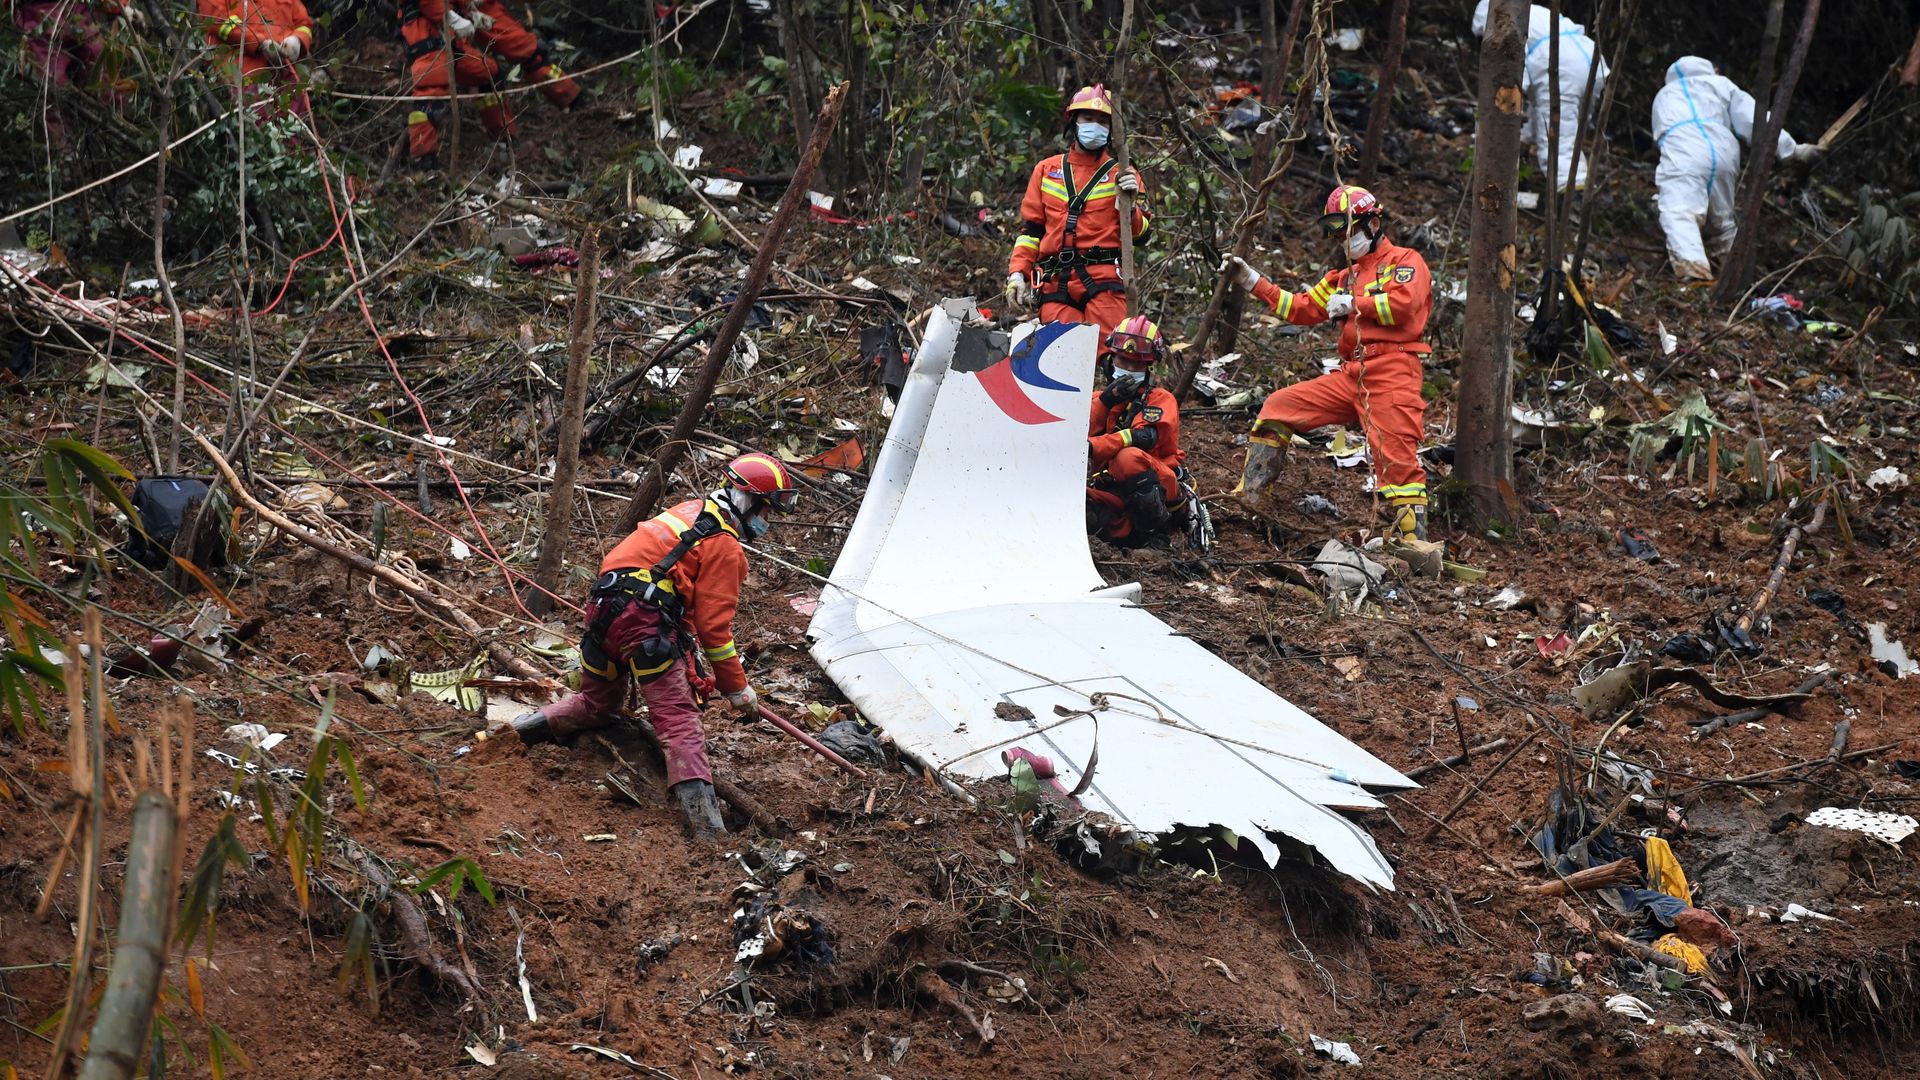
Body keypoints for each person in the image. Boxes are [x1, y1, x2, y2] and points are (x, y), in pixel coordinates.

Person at [500, 453, 798, 839]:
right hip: (644, 625)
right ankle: (709, 835)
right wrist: (737, 688)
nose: (766, 522)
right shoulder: (724, 545)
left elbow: (668, 592)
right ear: (749, 501)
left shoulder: (689, 511)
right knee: (679, 723)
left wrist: (684, 652)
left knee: (596, 704)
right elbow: (716, 632)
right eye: (767, 511)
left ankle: (507, 737)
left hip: (603, 611)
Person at [1222, 185, 1433, 542]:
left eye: (1348, 228)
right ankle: (1252, 499)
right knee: (1278, 407)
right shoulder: (1342, 275)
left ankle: (1412, 545)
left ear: (1374, 223)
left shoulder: (1405, 261)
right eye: (1336, 230)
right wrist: (1251, 280)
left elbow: (1404, 305)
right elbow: (1300, 308)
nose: (1342, 238)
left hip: (1392, 372)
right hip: (1351, 372)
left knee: (1395, 457)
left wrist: (1356, 304)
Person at [1651, 56, 1821, 281]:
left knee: (1679, 211)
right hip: (1723, 150)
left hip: (1683, 149)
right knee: (1722, 222)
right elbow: (1755, 119)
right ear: (1710, 69)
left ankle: (1695, 275)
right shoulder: (1722, 85)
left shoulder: (1664, 95)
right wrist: (1792, 150)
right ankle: (1736, 279)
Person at [1005, 84, 1149, 346]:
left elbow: (1142, 236)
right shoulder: (1046, 170)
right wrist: (1018, 273)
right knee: (1061, 360)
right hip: (1054, 283)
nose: (1095, 125)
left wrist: (1128, 207)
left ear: (1112, 129)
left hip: (1105, 282)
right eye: (1088, 118)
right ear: (1074, 121)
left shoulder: (1124, 174)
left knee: (1112, 358)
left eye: (1103, 120)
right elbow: (1031, 231)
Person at [397, 0, 580, 164]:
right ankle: (424, 159)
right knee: (431, 93)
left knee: (490, 74)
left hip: (453, 40)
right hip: (425, 34)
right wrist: (452, 18)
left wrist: (469, 14)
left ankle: (503, 137)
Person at [1472, 1, 1608, 191]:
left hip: (1561, 62)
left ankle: (1571, 190)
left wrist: (1511, 94)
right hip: (1588, 55)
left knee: (1557, 135)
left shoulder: (1502, 20)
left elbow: (1512, 61)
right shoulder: (1533, 13)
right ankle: (1528, 151)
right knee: (1571, 124)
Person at [1086, 315, 1187, 548]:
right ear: (1111, 360)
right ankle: (1115, 538)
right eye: (1123, 360)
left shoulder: (1161, 399)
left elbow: (1143, 438)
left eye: (1137, 365)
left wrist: (1095, 446)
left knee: (1127, 457)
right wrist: (1105, 402)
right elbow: (1079, 433)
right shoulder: (1097, 400)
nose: (1129, 370)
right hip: (1109, 487)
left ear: (1149, 367)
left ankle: (1157, 537)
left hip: (1158, 486)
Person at [199, 0, 314, 122]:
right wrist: (259, 43)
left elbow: (303, 23)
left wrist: (298, 40)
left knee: (291, 130)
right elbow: (217, 20)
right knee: (255, 129)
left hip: (286, 76)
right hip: (244, 77)